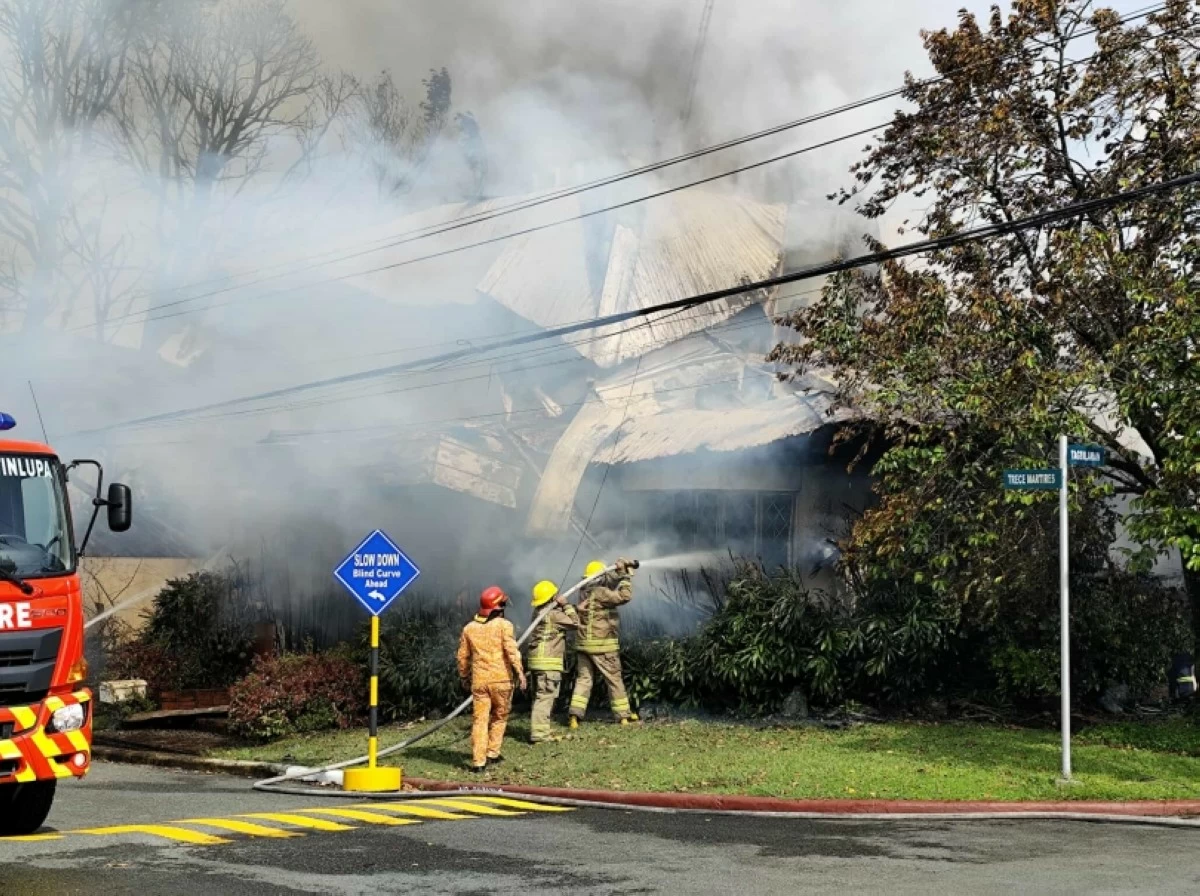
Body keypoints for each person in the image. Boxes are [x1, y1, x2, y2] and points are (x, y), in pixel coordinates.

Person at [456, 585, 526, 773]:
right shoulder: (505, 625)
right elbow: (511, 650)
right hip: (502, 681)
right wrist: (520, 672)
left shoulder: (469, 628)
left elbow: (462, 657)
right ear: (499, 606)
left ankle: (478, 762)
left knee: (480, 720)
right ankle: (492, 753)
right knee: (500, 717)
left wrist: (464, 676)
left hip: (479, 682)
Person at [568, 558, 638, 728]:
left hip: (584, 645)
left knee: (584, 680)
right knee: (614, 678)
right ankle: (623, 716)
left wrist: (620, 570)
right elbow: (624, 596)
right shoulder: (601, 593)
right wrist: (626, 578)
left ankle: (574, 717)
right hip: (603, 646)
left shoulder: (584, 591)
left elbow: (607, 582)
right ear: (600, 578)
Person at [527, 579, 579, 744]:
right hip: (548, 663)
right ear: (551, 598)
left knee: (540, 696)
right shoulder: (554, 615)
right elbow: (575, 622)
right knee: (545, 697)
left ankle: (543, 728)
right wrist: (566, 605)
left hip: (536, 662)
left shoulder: (537, 612)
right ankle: (540, 734)